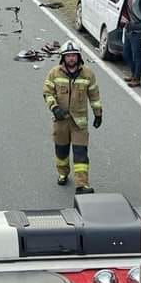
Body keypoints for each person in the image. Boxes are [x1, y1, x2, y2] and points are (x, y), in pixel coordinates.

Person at [43, 41, 103, 194]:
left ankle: (82, 185)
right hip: (61, 121)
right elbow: (47, 92)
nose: (71, 58)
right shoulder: (54, 73)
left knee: (80, 154)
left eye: (73, 56)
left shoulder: (88, 74)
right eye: (68, 56)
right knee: (61, 152)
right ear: (63, 58)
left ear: (78, 57)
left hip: (79, 123)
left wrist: (98, 114)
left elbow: (94, 95)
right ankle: (63, 173)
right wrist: (54, 108)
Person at [120, 0, 141, 87]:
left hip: (137, 32)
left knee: (136, 56)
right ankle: (133, 74)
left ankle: (137, 78)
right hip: (128, 28)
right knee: (126, 53)